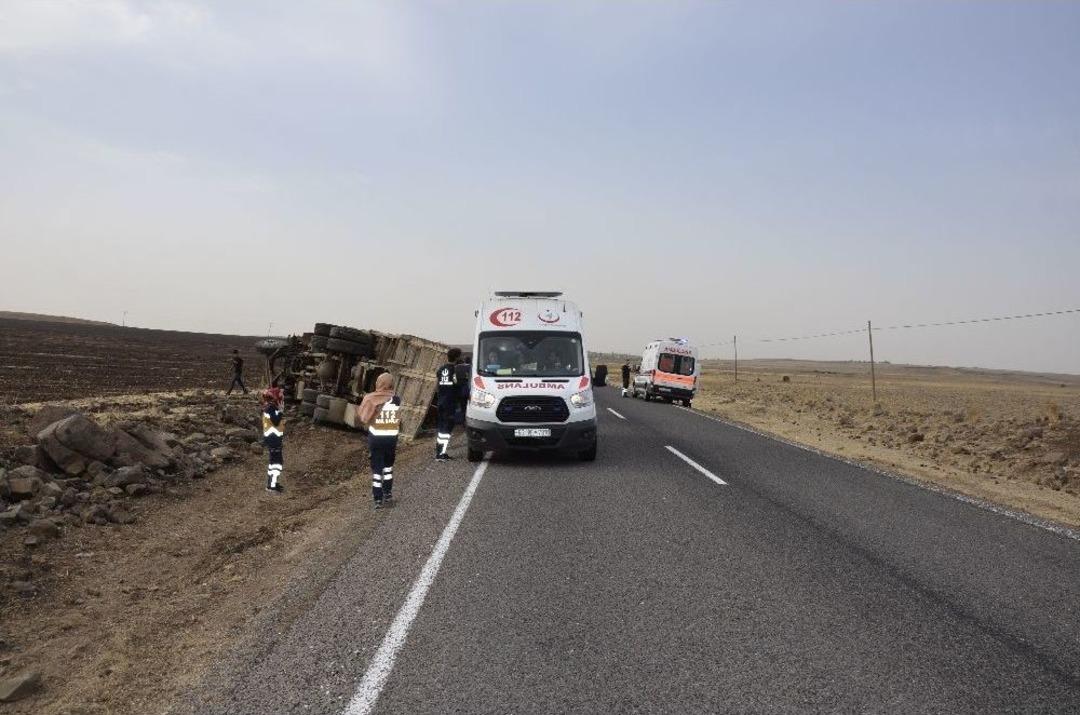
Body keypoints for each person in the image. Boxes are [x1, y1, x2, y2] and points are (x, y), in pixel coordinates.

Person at [358, 372, 400, 509]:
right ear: (391, 384)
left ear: (378, 383)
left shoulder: (371, 399)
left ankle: (377, 499)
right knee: (388, 468)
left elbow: (363, 417)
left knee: (377, 470)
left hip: (376, 439)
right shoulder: (397, 399)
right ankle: (388, 493)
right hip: (391, 440)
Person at [434, 347, 461, 460]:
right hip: (449, 403)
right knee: (447, 429)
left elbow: (437, 386)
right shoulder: (454, 371)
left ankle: (439, 450)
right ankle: (441, 454)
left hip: (441, 402)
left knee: (441, 427)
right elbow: (456, 385)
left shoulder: (441, 369)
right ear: (457, 357)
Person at [261, 388, 285, 493]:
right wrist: (281, 412)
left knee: (274, 462)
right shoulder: (271, 408)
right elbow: (275, 421)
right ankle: (271, 486)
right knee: (276, 462)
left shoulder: (269, 407)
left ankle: (272, 483)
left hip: (273, 439)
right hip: (273, 439)